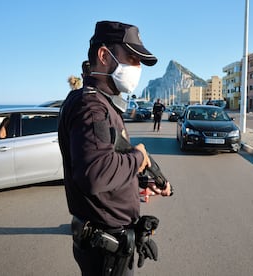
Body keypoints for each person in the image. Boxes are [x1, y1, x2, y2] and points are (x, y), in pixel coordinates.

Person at [58, 21, 172, 276]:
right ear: (103, 55)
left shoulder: (100, 103)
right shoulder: (92, 108)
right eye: (132, 58)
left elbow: (107, 160)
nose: (137, 68)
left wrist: (140, 180)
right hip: (105, 251)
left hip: (113, 245)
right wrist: (138, 156)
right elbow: (95, 174)